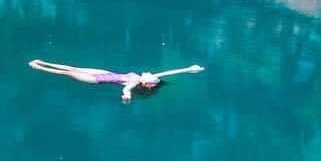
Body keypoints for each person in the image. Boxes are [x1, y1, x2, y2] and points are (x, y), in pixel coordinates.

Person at [29, 58, 204, 103]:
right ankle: (42, 62)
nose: (153, 74)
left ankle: (38, 67)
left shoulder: (135, 82)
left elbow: (127, 89)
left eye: (153, 78)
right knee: (71, 67)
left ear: (147, 84)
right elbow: (168, 72)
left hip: (95, 80)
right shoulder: (144, 79)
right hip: (106, 73)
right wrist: (189, 69)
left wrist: (126, 96)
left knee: (67, 73)